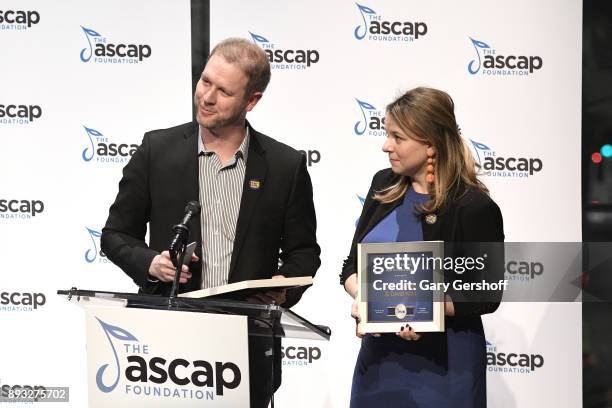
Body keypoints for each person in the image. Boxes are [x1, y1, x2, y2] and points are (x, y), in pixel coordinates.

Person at [101, 37, 321, 407]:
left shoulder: (285, 166)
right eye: (205, 82)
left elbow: (304, 252)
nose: (206, 97)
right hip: (165, 350)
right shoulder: (157, 150)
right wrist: (152, 264)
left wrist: (284, 289)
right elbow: (116, 235)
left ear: (251, 101)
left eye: (223, 91)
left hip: (247, 344)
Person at [340, 87, 504, 407]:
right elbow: (351, 267)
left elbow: (486, 293)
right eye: (387, 134)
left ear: (430, 143)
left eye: (397, 137)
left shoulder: (473, 207)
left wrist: (420, 310)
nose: (386, 145)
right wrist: (365, 299)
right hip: (378, 364)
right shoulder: (382, 185)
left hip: (444, 368)